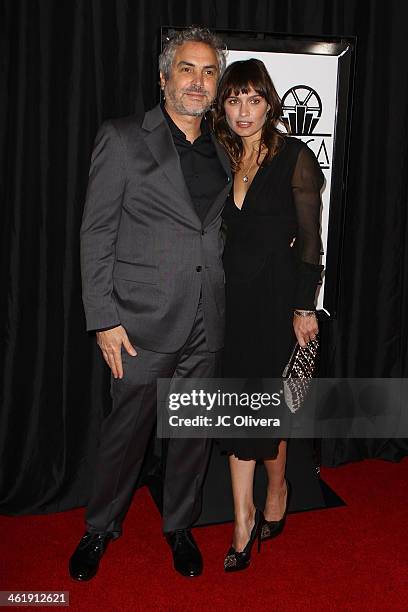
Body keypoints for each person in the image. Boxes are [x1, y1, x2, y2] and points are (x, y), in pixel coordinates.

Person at [69, 26, 231, 581]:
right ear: (164, 78)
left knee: (191, 432)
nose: (198, 81)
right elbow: (96, 234)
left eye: (209, 71)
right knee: (126, 436)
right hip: (138, 321)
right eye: (187, 68)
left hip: (206, 317)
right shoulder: (122, 138)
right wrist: (104, 318)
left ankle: (179, 524)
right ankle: (100, 528)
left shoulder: (226, 147)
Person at [213, 58, 324, 572]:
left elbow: (310, 242)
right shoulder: (224, 155)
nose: (242, 111)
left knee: (266, 410)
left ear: (270, 103)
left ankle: (277, 485)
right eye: (233, 100)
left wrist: (304, 306)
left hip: (277, 301)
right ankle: (242, 519)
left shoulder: (295, 156)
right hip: (231, 304)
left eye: (253, 99)